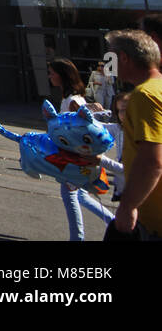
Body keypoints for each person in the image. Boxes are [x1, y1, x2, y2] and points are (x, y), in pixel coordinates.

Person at [44, 56, 114, 240]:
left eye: (51, 73)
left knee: (70, 197)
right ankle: (114, 222)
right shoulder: (70, 98)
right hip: (77, 158)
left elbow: (84, 129)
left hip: (75, 159)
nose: (49, 76)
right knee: (80, 196)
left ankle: (77, 238)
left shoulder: (73, 100)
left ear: (62, 76)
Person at [105, 29, 162, 239]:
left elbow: (151, 162)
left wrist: (128, 206)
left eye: (110, 57)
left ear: (124, 58)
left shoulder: (144, 95)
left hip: (154, 222)